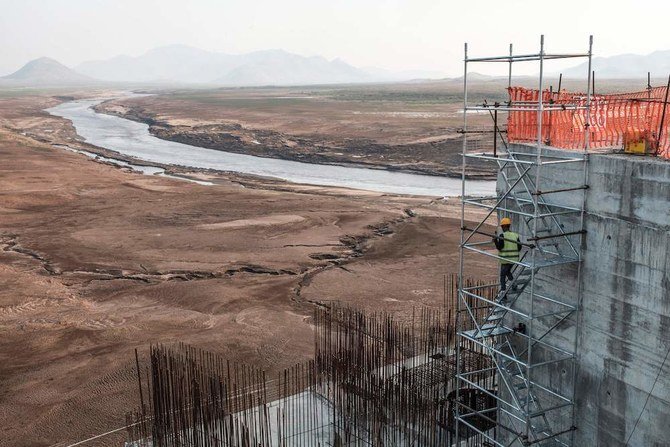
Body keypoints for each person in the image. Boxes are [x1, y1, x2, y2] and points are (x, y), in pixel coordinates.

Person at [493, 217, 521, 292]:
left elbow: (499, 247)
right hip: (514, 259)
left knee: (502, 275)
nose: (502, 228)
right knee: (507, 271)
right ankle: (514, 283)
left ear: (504, 226)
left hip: (505, 259)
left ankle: (503, 292)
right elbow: (519, 247)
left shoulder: (503, 236)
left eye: (502, 226)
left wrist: (495, 240)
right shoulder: (515, 235)